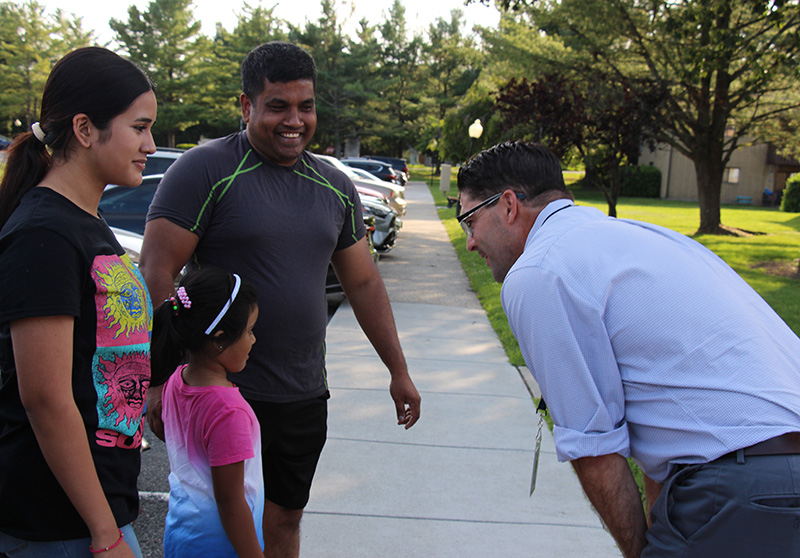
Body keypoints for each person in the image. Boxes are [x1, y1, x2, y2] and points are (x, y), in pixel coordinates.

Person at [139, 41, 421, 558]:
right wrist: (159, 377)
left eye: (305, 106)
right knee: (222, 521)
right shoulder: (205, 171)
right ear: (246, 106)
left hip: (301, 390)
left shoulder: (334, 184)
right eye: (278, 106)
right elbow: (158, 270)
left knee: (285, 519)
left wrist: (397, 370)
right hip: (221, 392)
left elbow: (363, 284)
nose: (295, 120)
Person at [456, 140, 800, 558]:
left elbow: (595, 450)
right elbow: (665, 440)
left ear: (508, 205)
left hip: (737, 489)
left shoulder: (538, 271)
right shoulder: (648, 239)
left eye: (469, 221)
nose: (471, 242)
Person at [0, 47, 156, 557]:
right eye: (139, 127)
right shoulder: (44, 232)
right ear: (85, 129)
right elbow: (44, 397)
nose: (150, 144)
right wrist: (105, 532)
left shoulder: (84, 222)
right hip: (59, 522)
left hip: (98, 507)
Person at [151, 268, 263, 558]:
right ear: (220, 339)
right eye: (249, 331)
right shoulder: (228, 411)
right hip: (219, 545)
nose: (253, 340)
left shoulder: (177, 379)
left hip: (181, 533)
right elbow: (230, 502)